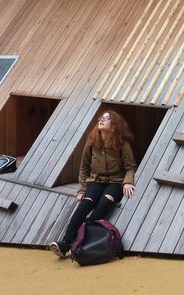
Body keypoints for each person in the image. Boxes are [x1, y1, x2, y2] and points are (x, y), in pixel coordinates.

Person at [50, 110, 137, 258]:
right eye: (100, 118)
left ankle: (77, 242)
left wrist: (128, 182)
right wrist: (81, 190)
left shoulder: (122, 144)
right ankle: (65, 243)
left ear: (114, 125)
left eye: (106, 118)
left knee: (104, 202)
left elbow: (130, 167)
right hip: (96, 181)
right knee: (85, 204)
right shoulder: (91, 142)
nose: (101, 120)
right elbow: (84, 167)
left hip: (115, 182)